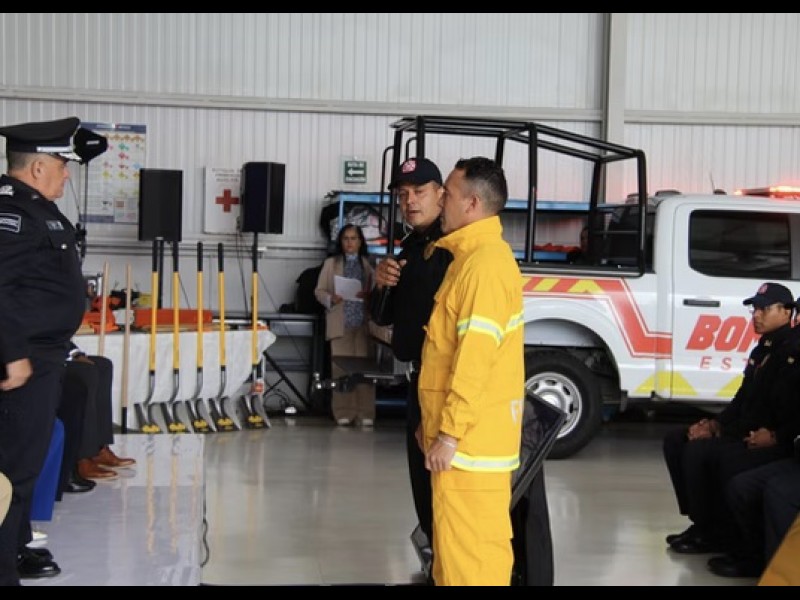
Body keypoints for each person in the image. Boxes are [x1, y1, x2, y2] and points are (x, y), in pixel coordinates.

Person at [418, 157, 524, 586]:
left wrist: (449, 434)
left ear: (472, 203)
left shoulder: (484, 267)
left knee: (471, 563)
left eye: (448, 192)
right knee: (456, 557)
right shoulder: (470, 260)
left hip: (469, 449)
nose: (440, 199)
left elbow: (473, 361)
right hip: (466, 447)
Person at [0, 117, 87, 585]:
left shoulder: (36, 209)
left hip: (43, 356)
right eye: (61, 164)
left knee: (25, 467)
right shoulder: (13, 214)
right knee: (10, 471)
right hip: (22, 360)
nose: (66, 174)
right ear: (36, 167)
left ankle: (15, 548)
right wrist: (12, 353)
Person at [662, 282, 800, 558]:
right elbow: (742, 398)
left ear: (786, 312)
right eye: (755, 309)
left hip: (773, 438)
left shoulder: (791, 352)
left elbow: (788, 411)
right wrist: (715, 424)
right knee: (677, 440)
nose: (756, 315)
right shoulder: (763, 349)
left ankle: (722, 534)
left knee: (711, 456)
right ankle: (702, 523)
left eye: (764, 309)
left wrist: (774, 436)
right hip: (747, 430)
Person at [369, 156, 451, 570]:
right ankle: (435, 556)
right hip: (419, 379)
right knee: (421, 480)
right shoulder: (411, 247)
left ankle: (448, 561)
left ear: (441, 194)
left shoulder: (450, 249)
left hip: (445, 384)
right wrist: (381, 284)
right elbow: (384, 316)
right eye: (403, 195)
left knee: (439, 482)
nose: (410, 202)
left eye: (419, 192)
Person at [314, 224, 376, 427]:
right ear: (340, 242)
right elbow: (319, 290)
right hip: (341, 323)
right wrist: (331, 298)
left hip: (363, 324)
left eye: (353, 238)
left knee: (365, 371)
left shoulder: (368, 265)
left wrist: (369, 296)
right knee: (340, 370)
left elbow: (376, 292)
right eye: (346, 238)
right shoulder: (331, 264)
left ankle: (365, 412)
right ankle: (343, 411)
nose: (349, 242)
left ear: (360, 242)